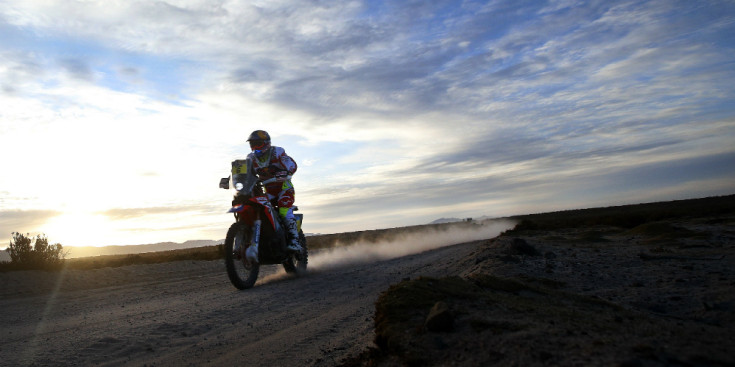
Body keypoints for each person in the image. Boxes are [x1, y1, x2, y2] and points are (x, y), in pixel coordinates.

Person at [245, 130, 302, 252]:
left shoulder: (277, 152)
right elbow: (244, 172)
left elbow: (291, 164)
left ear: (266, 143)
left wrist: (286, 171)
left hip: (284, 188)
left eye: (258, 143)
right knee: (257, 207)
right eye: (252, 144)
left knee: (284, 210)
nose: (255, 147)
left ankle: (294, 241)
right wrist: (230, 179)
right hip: (268, 192)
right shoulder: (251, 158)